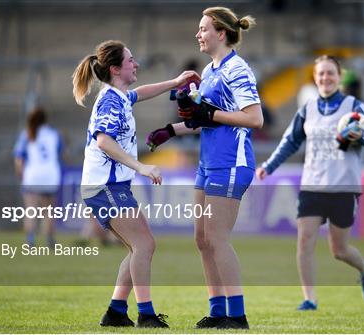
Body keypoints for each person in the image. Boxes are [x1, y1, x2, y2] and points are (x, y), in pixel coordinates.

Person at [146, 7, 262, 329]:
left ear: (221, 33)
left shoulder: (237, 69)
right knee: (202, 238)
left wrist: (209, 115)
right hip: (208, 164)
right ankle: (217, 311)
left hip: (231, 163)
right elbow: (202, 119)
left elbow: (254, 118)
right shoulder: (210, 71)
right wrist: (170, 130)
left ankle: (237, 316)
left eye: (203, 29)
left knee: (216, 236)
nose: (198, 34)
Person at [72, 39, 199, 328]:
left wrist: (175, 82)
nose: (136, 64)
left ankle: (116, 311)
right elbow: (103, 140)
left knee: (139, 246)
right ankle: (146, 314)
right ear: (116, 69)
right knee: (144, 244)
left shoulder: (119, 96)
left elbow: (140, 93)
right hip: (105, 186)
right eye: (131, 61)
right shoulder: (110, 100)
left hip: (111, 186)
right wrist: (141, 166)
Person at [256, 55, 364, 311]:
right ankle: (309, 299)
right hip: (312, 185)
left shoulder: (354, 106)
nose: (325, 78)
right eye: (321, 74)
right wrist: (268, 166)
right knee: (304, 241)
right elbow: (290, 141)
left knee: (339, 250)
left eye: (330, 73)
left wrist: (360, 136)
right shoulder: (308, 108)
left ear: (339, 77)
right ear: (315, 78)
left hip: (343, 187)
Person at [13, 107, 62, 248]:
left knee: (31, 210)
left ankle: (30, 240)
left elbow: (19, 159)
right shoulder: (54, 134)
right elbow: (60, 153)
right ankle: (50, 240)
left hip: (32, 176)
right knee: (49, 211)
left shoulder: (27, 134)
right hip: (50, 176)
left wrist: (20, 174)